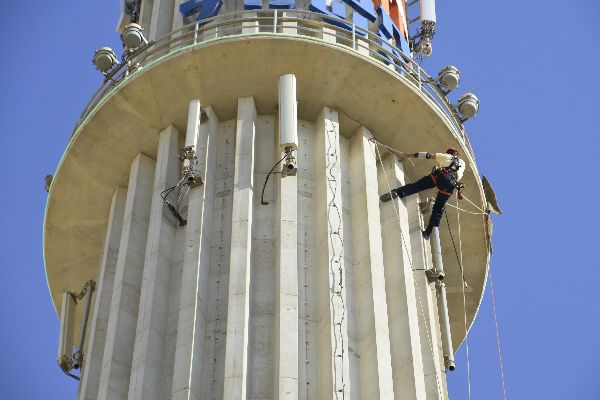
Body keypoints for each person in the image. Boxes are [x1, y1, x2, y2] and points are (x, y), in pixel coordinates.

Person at [380, 148, 465, 240]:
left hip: (440, 176)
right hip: (451, 185)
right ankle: (428, 233)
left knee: (418, 186)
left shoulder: (447, 156)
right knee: (438, 210)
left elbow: (428, 155)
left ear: (450, 153)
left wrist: (411, 155)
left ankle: (397, 192)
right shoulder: (462, 164)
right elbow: (456, 177)